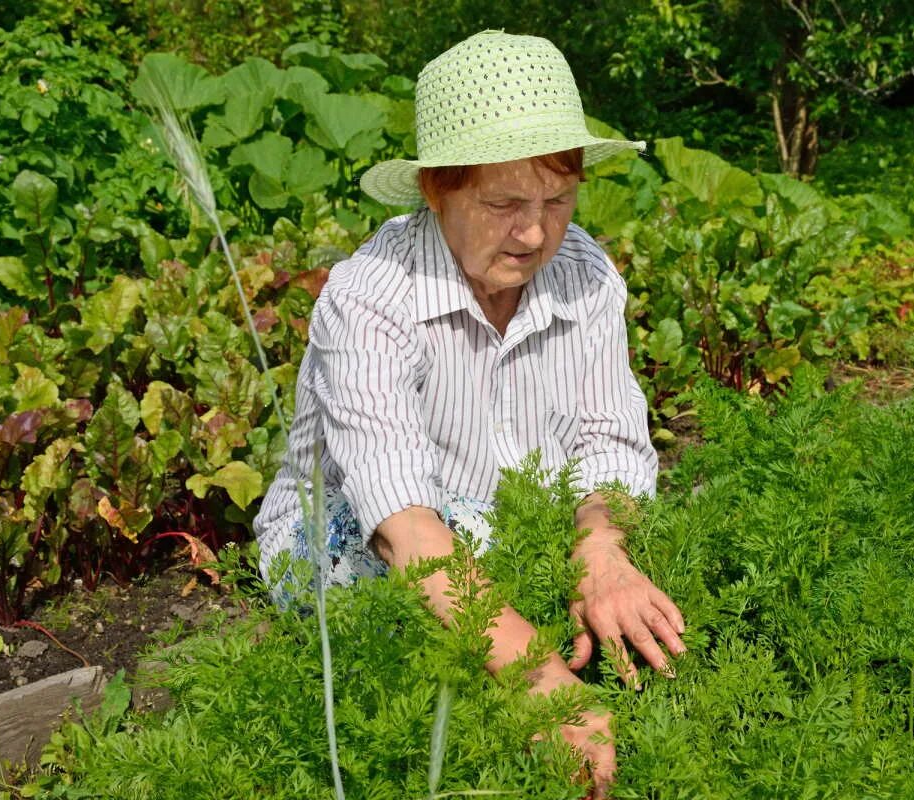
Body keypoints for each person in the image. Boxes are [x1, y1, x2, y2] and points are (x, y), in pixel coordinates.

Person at [254, 29, 686, 797]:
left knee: (628, 558)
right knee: (444, 578)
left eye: (558, 201)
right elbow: (405, 528)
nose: (535, 232)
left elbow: (611, 444)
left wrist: (598, 547)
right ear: (436, 191)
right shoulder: (371, 298)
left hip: (511, 526)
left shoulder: (584, 274)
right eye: (504, 204)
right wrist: (541, 680)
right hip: (360, 538)